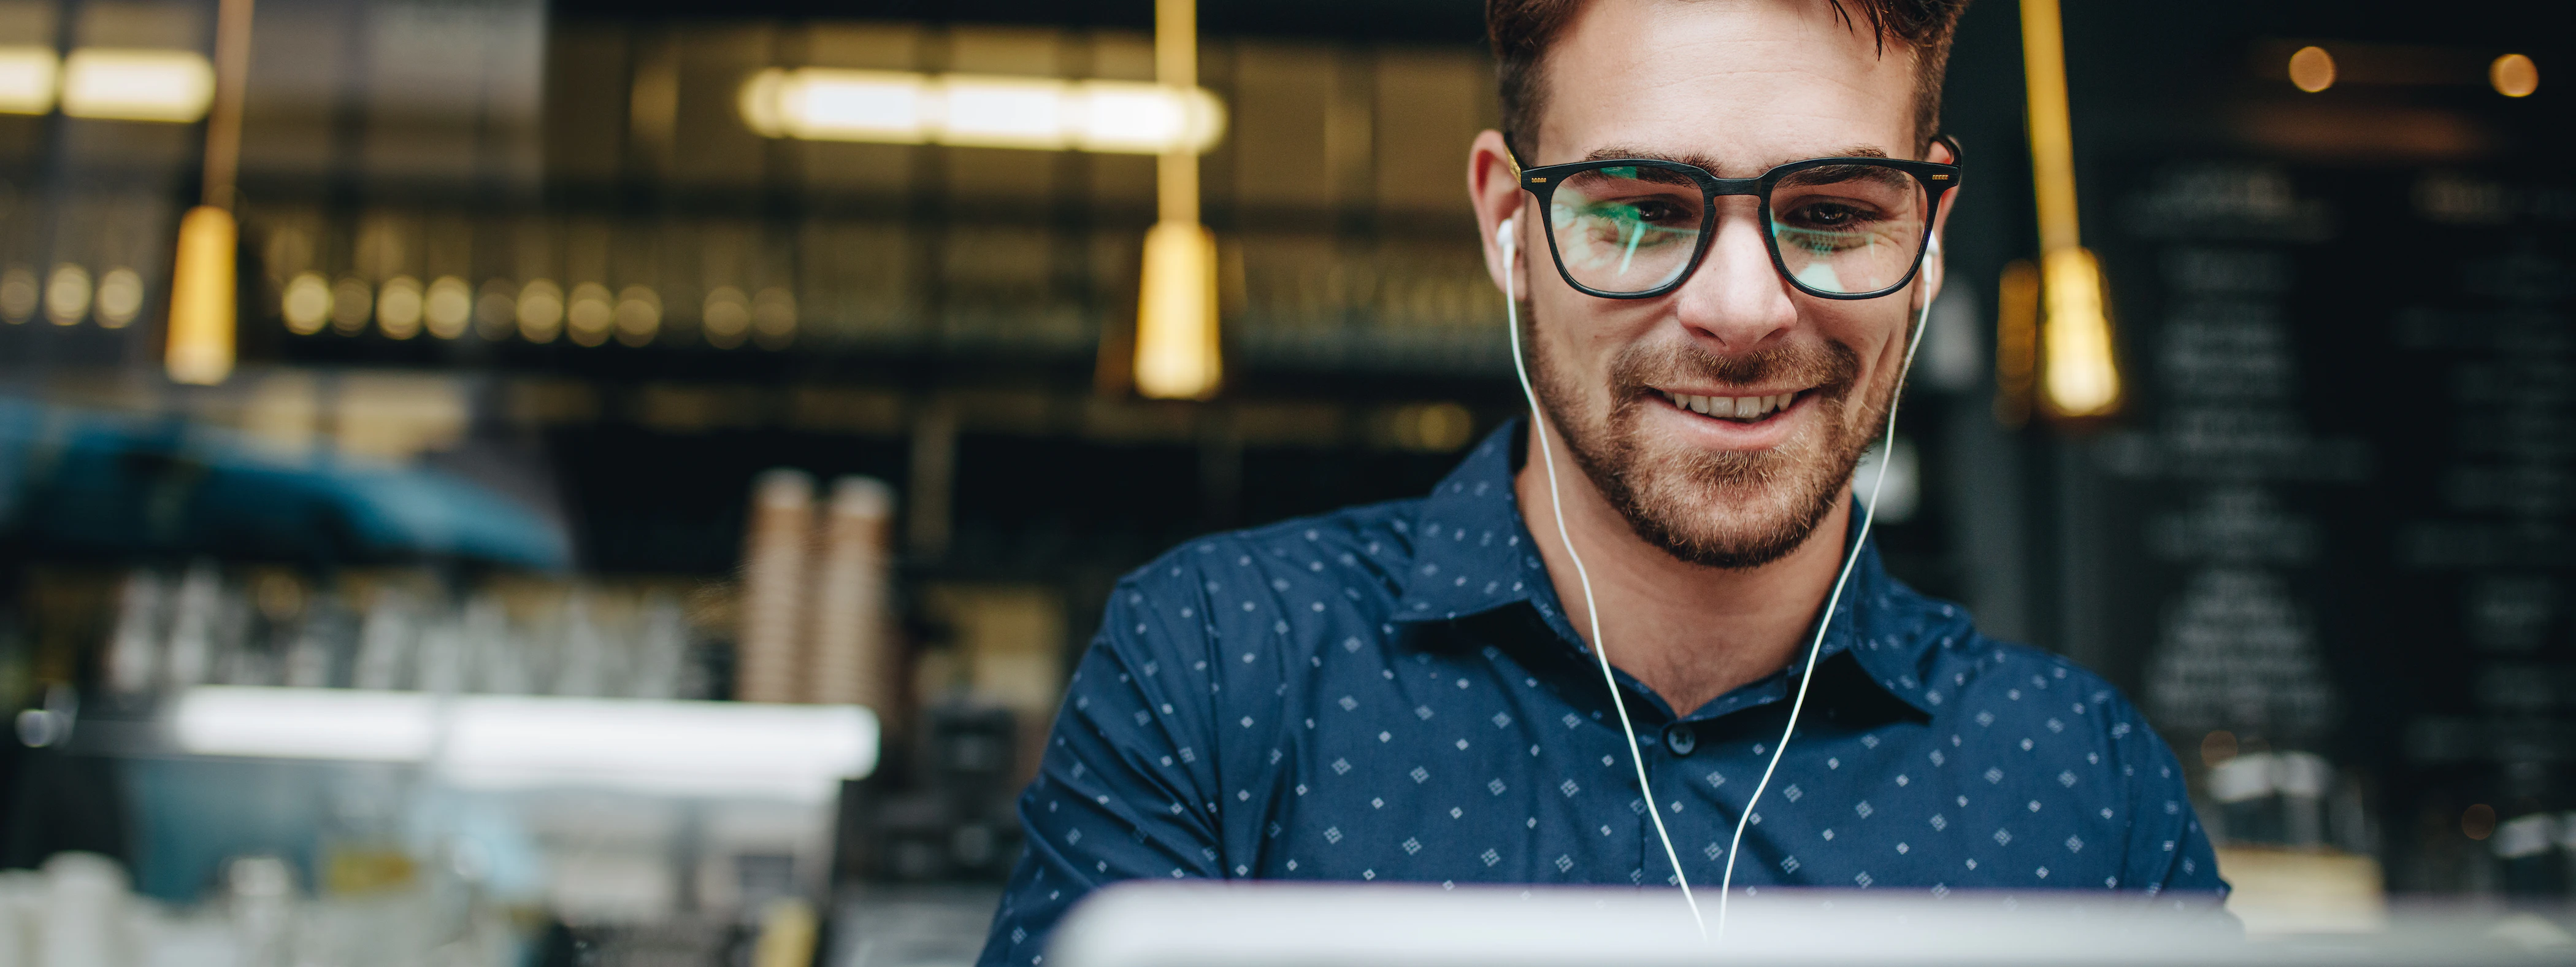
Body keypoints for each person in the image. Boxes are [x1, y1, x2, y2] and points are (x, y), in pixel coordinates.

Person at [979, 1, 2222, 961]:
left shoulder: (2082, 785)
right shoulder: (1217, 668)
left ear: (1929, 240)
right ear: (1507, 227)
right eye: (1639, 208)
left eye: (1837, 212)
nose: (1743, 308)